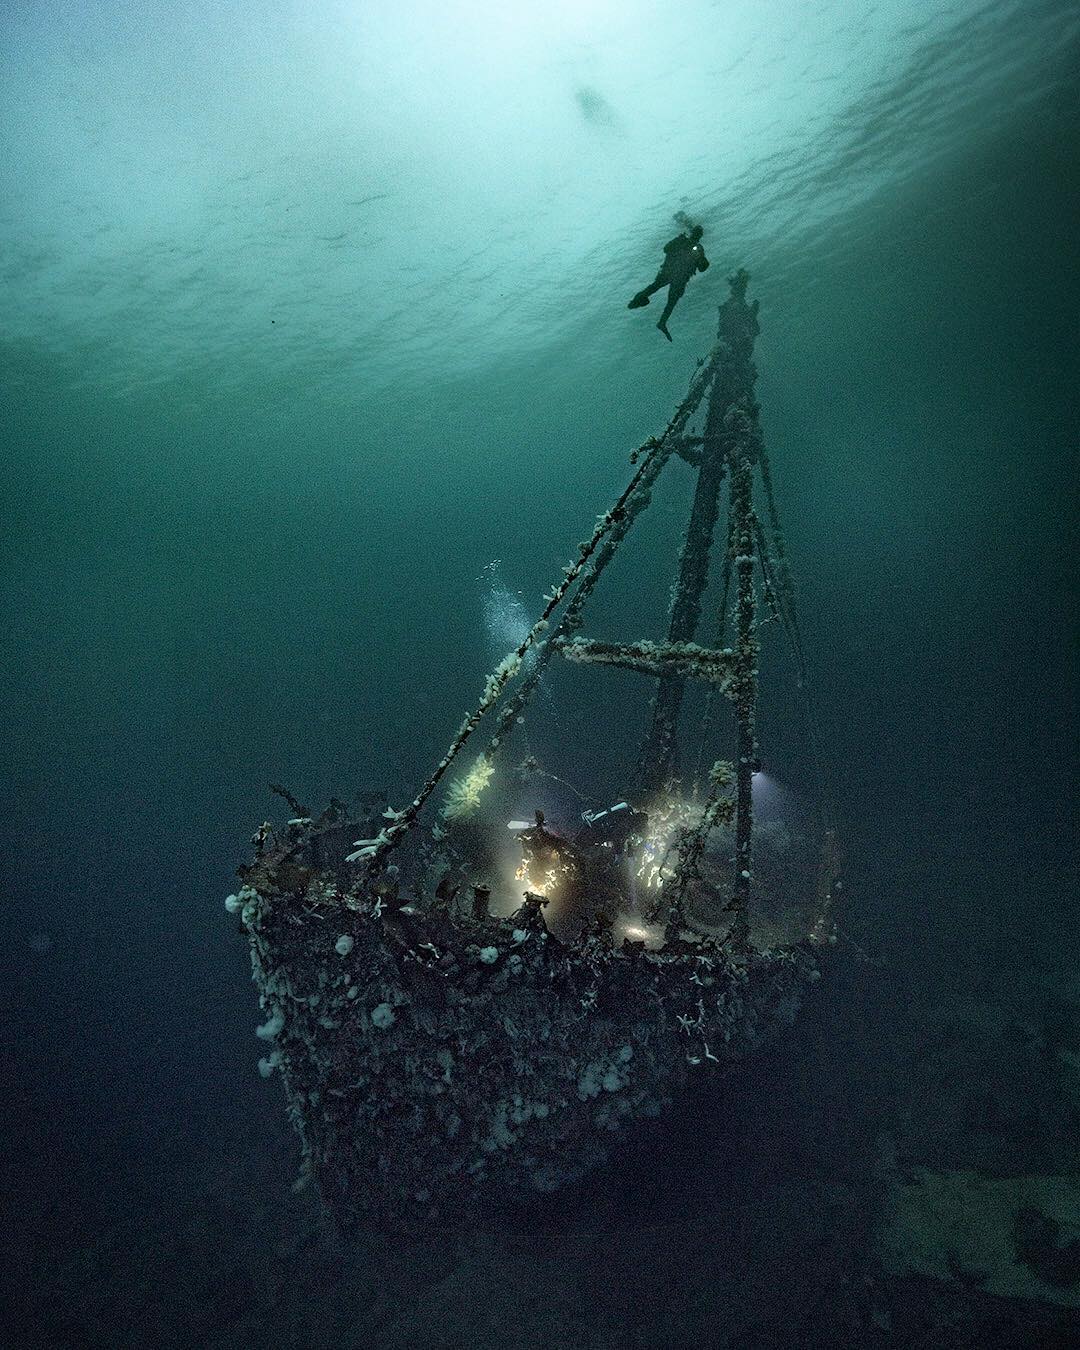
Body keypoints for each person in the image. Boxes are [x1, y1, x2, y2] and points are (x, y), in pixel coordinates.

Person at [627, 224, 710, 340]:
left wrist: (700, 258)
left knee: (664, 295)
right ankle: (643, 305)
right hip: (673, 274)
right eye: (697, 234)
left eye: (698, 234)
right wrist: (679, 241)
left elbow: (702, 267)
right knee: (662, 294)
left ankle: (659, 320)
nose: (697, 236)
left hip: (675, 275)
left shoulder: (698, 248)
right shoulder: (685, 241)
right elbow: (666, 249)